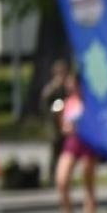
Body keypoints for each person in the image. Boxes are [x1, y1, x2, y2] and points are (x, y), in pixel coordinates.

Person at [53, 74, 98, 213]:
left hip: (88, 143)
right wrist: (65, 126)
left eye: (73, 84)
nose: (70, 87)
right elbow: (64, 126)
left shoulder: (90, 102)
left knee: (88, 183)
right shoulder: (67, 103)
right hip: (73, 142)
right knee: (62, 180)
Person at [41, 59, 71, 187]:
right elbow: (44, 101)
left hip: (65, 123)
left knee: (66, 152)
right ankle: (52, 177)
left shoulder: (67, 87)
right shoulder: (51, 87)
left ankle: (64, 177)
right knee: (55, 152)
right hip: (54, 125)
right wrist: (55, 86)